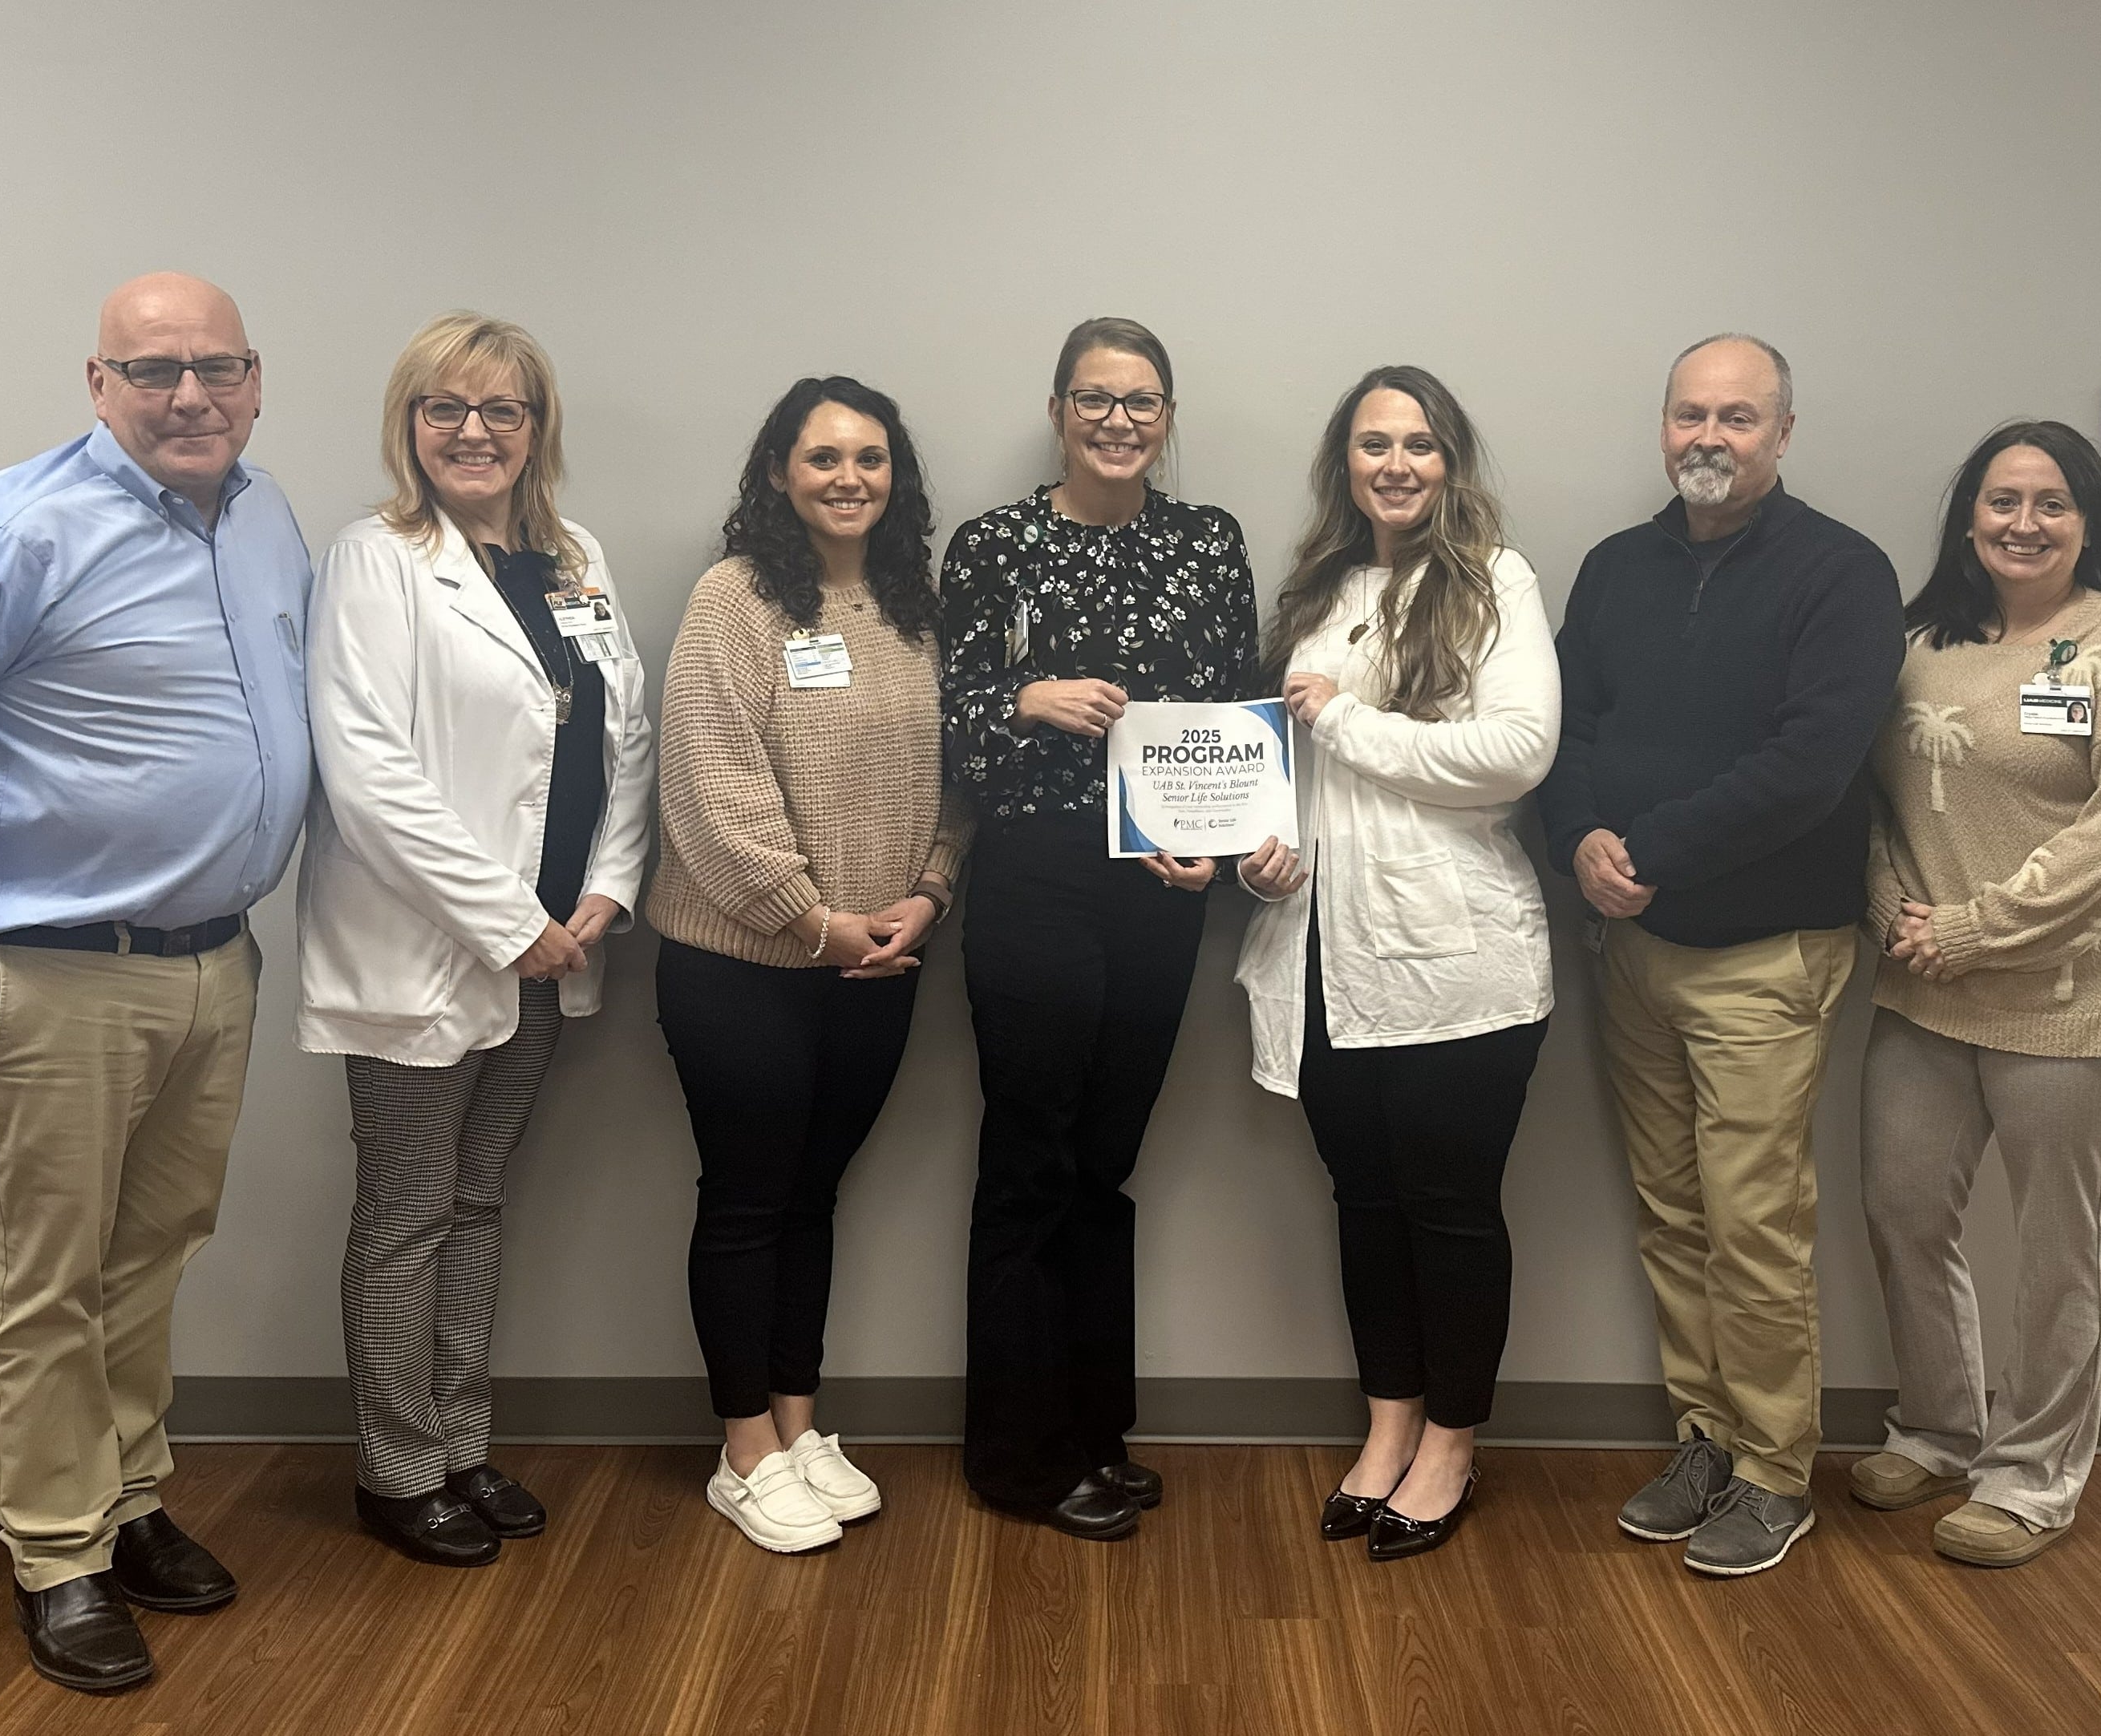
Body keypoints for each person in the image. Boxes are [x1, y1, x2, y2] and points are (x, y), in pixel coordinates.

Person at [0, 273, 307, 1692]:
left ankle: (130, 1498)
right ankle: (55, 1554)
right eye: (153, 370)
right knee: (41, 1279)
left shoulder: (264, 517)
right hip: (54, 974)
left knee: (151, 1254)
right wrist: (24, 835)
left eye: (217, 366)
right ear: (97, 384)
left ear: (258, 380)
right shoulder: (9, 530)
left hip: (215, 964)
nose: (189, 394)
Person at [1536, 334, 1904, 1577]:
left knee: (1754, 1222)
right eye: (1691, 414)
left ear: (1785, 434)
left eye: (1738, 418)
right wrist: (1582, 838)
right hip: (1633, 949)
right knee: (1673, 1213)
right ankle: (1704, 1433)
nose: (1710, 437)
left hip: (1765, 955)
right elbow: (1571, 725)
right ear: (1663, 427)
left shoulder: (1841, 573)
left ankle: (1773, 1468)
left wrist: (1649, 847)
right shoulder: (1615, 567)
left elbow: (1813, 763)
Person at [297, 313, 652, 1568]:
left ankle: (460, 1440)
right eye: (446, 408)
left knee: (480, 1197)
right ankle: (396, 1468)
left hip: (557, 946)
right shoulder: (374, 559)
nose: (474, 432)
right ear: (409, 425)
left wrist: (605, 889)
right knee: (406, 1209)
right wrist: (512, 923)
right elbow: (369, 773)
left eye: (503, 410)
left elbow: (621, 738)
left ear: (537, 430)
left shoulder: (576, 558)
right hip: (427, 948)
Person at [1853, 420, 2101, 1567]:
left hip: (2072, 993)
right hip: (1926, 986)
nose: (2024, 522)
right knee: (1903, 1211)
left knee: (2057, 1244)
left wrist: (1975, 929)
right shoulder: (1917, 642)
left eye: (2052, 502)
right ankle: (1943, 1429)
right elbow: (1870, 803)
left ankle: (2032, 1474)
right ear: (1967, 518)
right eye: (2003, 500)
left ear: (2088, 521)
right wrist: (1900, 914)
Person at [1234, 366, 1560, 1561]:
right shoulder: (1317, 589)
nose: (1397, 463)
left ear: (1450, 460)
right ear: (1345, 465)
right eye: (1374, 443)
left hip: (1455, 964)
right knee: (1365, 1207)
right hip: (1321, 955)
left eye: (1419, 442)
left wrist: (1345, 721)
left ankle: (1453, 1445)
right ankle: (1386, 1430)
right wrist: (1261, 861)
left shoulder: (1493, 583)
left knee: (1450, 1211)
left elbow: (1520, 749)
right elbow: (1290, 771)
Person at [942, 317, 1260, 1539]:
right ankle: (1017, 1457)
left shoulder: (1208, 542)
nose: (1118, 419)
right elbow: (955, 729)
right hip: (1034, 874)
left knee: (1107, 1164)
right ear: (1059, 409)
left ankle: (1095, 1429)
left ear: (1168, 415)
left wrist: (1216, 845)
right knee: (1032, 1156)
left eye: (1141, 400)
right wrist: (1028, 696)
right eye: (1094, 398)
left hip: (1159, 885)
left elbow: (1235, 714)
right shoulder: (997, 546)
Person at [647, 376, 968, 1555]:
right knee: (746, 1202)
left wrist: (928, 894)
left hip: (883, 961)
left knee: (814, 1195)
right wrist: (812, 919)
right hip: (744, 965)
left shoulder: (913, 605)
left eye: (871, 458)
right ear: (780, 470)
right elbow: (708, 784)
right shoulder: (735, 599)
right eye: (824, 457)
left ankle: (797, 1424)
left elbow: (955, 778)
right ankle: (742, 1451)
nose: (849, 479)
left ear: (898, 476)